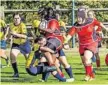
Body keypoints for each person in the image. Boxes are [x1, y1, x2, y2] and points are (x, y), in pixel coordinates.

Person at [64, 6, 108, 81]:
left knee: (87, 57)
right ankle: (92, 76)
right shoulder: (76, 25)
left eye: (80, 17)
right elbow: (70, 34)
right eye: (77, 17)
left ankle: (87, 75)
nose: (78, 19)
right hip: (82, 45)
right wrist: (65, 42)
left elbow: (99, 23)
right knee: (85, 62)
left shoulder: (91, 21)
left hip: (91, 43)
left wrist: (106, 29)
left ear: (84, 17)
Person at [9, 13, 31, 78]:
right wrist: (8, 37)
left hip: (24, 44)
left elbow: (25, 36)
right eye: (15, 18)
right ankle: (16, 73)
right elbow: (10, 34)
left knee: (28, 60)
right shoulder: (11, 25)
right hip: (16, 44)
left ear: (20, 19)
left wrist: (16, 34)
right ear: (13, 19)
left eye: (18, 18)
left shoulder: (22, 25)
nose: (16, 20)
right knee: (12, 55)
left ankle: (32, 70)